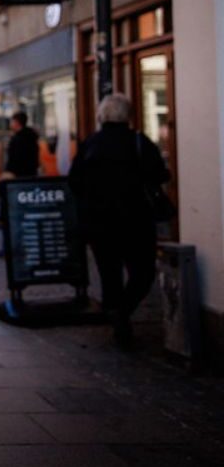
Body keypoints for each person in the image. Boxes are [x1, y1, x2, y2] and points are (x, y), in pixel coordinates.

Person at [69, 93, 169, 348]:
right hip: (135, 220)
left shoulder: (91, 143)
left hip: (99, 223)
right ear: (129, 115)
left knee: (109, 274)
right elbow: (160, 174)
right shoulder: (139, 142)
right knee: (143, 272)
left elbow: (74, 182)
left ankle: (118, 319)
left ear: (102, 115)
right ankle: (123, 312)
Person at [5, 111, 39, 178]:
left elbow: (14, 158)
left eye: (12, 121)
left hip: (19, 175)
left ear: (16, 122)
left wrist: (9, 171)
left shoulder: (18, 139)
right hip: (31, 172)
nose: (10, 124)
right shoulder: (31, 136)